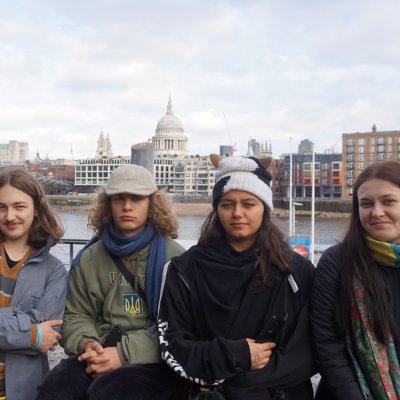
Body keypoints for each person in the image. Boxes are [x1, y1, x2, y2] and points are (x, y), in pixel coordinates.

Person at [158, 154, 316, 400]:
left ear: (264, 207)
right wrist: (232, 355)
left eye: (248, 204)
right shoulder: (183, 270)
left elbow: (308, 352)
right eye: (227, 204)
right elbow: (174, 345)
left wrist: (242, 385)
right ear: (216, 209)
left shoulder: (296, 272)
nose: (237, 213)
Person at [37, 164, 189, 400]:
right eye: (119, 198)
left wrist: (122, 353)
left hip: (156, 359)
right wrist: (88, 344)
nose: (127, 206)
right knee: (57, 386)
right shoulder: (90, 258)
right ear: (109, 204)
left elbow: (180, 329)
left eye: (136, 198)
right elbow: (76, 314)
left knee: (109, 392)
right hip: (99, 349)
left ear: (152, 204)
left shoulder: (176, 258)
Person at [311, 161, 400, 399]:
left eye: (388, 201)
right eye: (366, 204)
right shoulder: (337, 262)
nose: (377, 212)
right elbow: (327, 345)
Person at [0, 167, 67, 400]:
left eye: (19, 206)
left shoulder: (54, 271)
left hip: (23, 391)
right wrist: (32, 335)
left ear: (36, 209)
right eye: (1, 207)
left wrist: (40, 336)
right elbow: (39, 335)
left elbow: (49, 335)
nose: (10, 216)